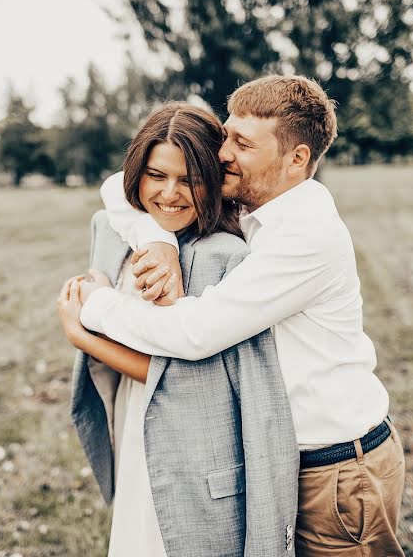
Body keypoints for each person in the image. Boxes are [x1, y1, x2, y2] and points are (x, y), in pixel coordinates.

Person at [77, 75, 406, 556]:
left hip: (335, 467)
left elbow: (193, 332)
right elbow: (119, 185)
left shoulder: (305, 236)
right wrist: (159, 240)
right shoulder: (258, 205)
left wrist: (93, 307)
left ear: (297, 159)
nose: (222, 153)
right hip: (283, 458)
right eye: (227, 134)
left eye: (242, 144)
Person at [56, 103, 299, 557]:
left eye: (189, 179)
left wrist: (83, 334)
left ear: (214, 181)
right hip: (134, 422)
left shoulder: (223, 257)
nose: (170, 193)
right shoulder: (117, 229)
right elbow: (114, 197)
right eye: (156, 174)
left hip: (192, 449)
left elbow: (192, 379)